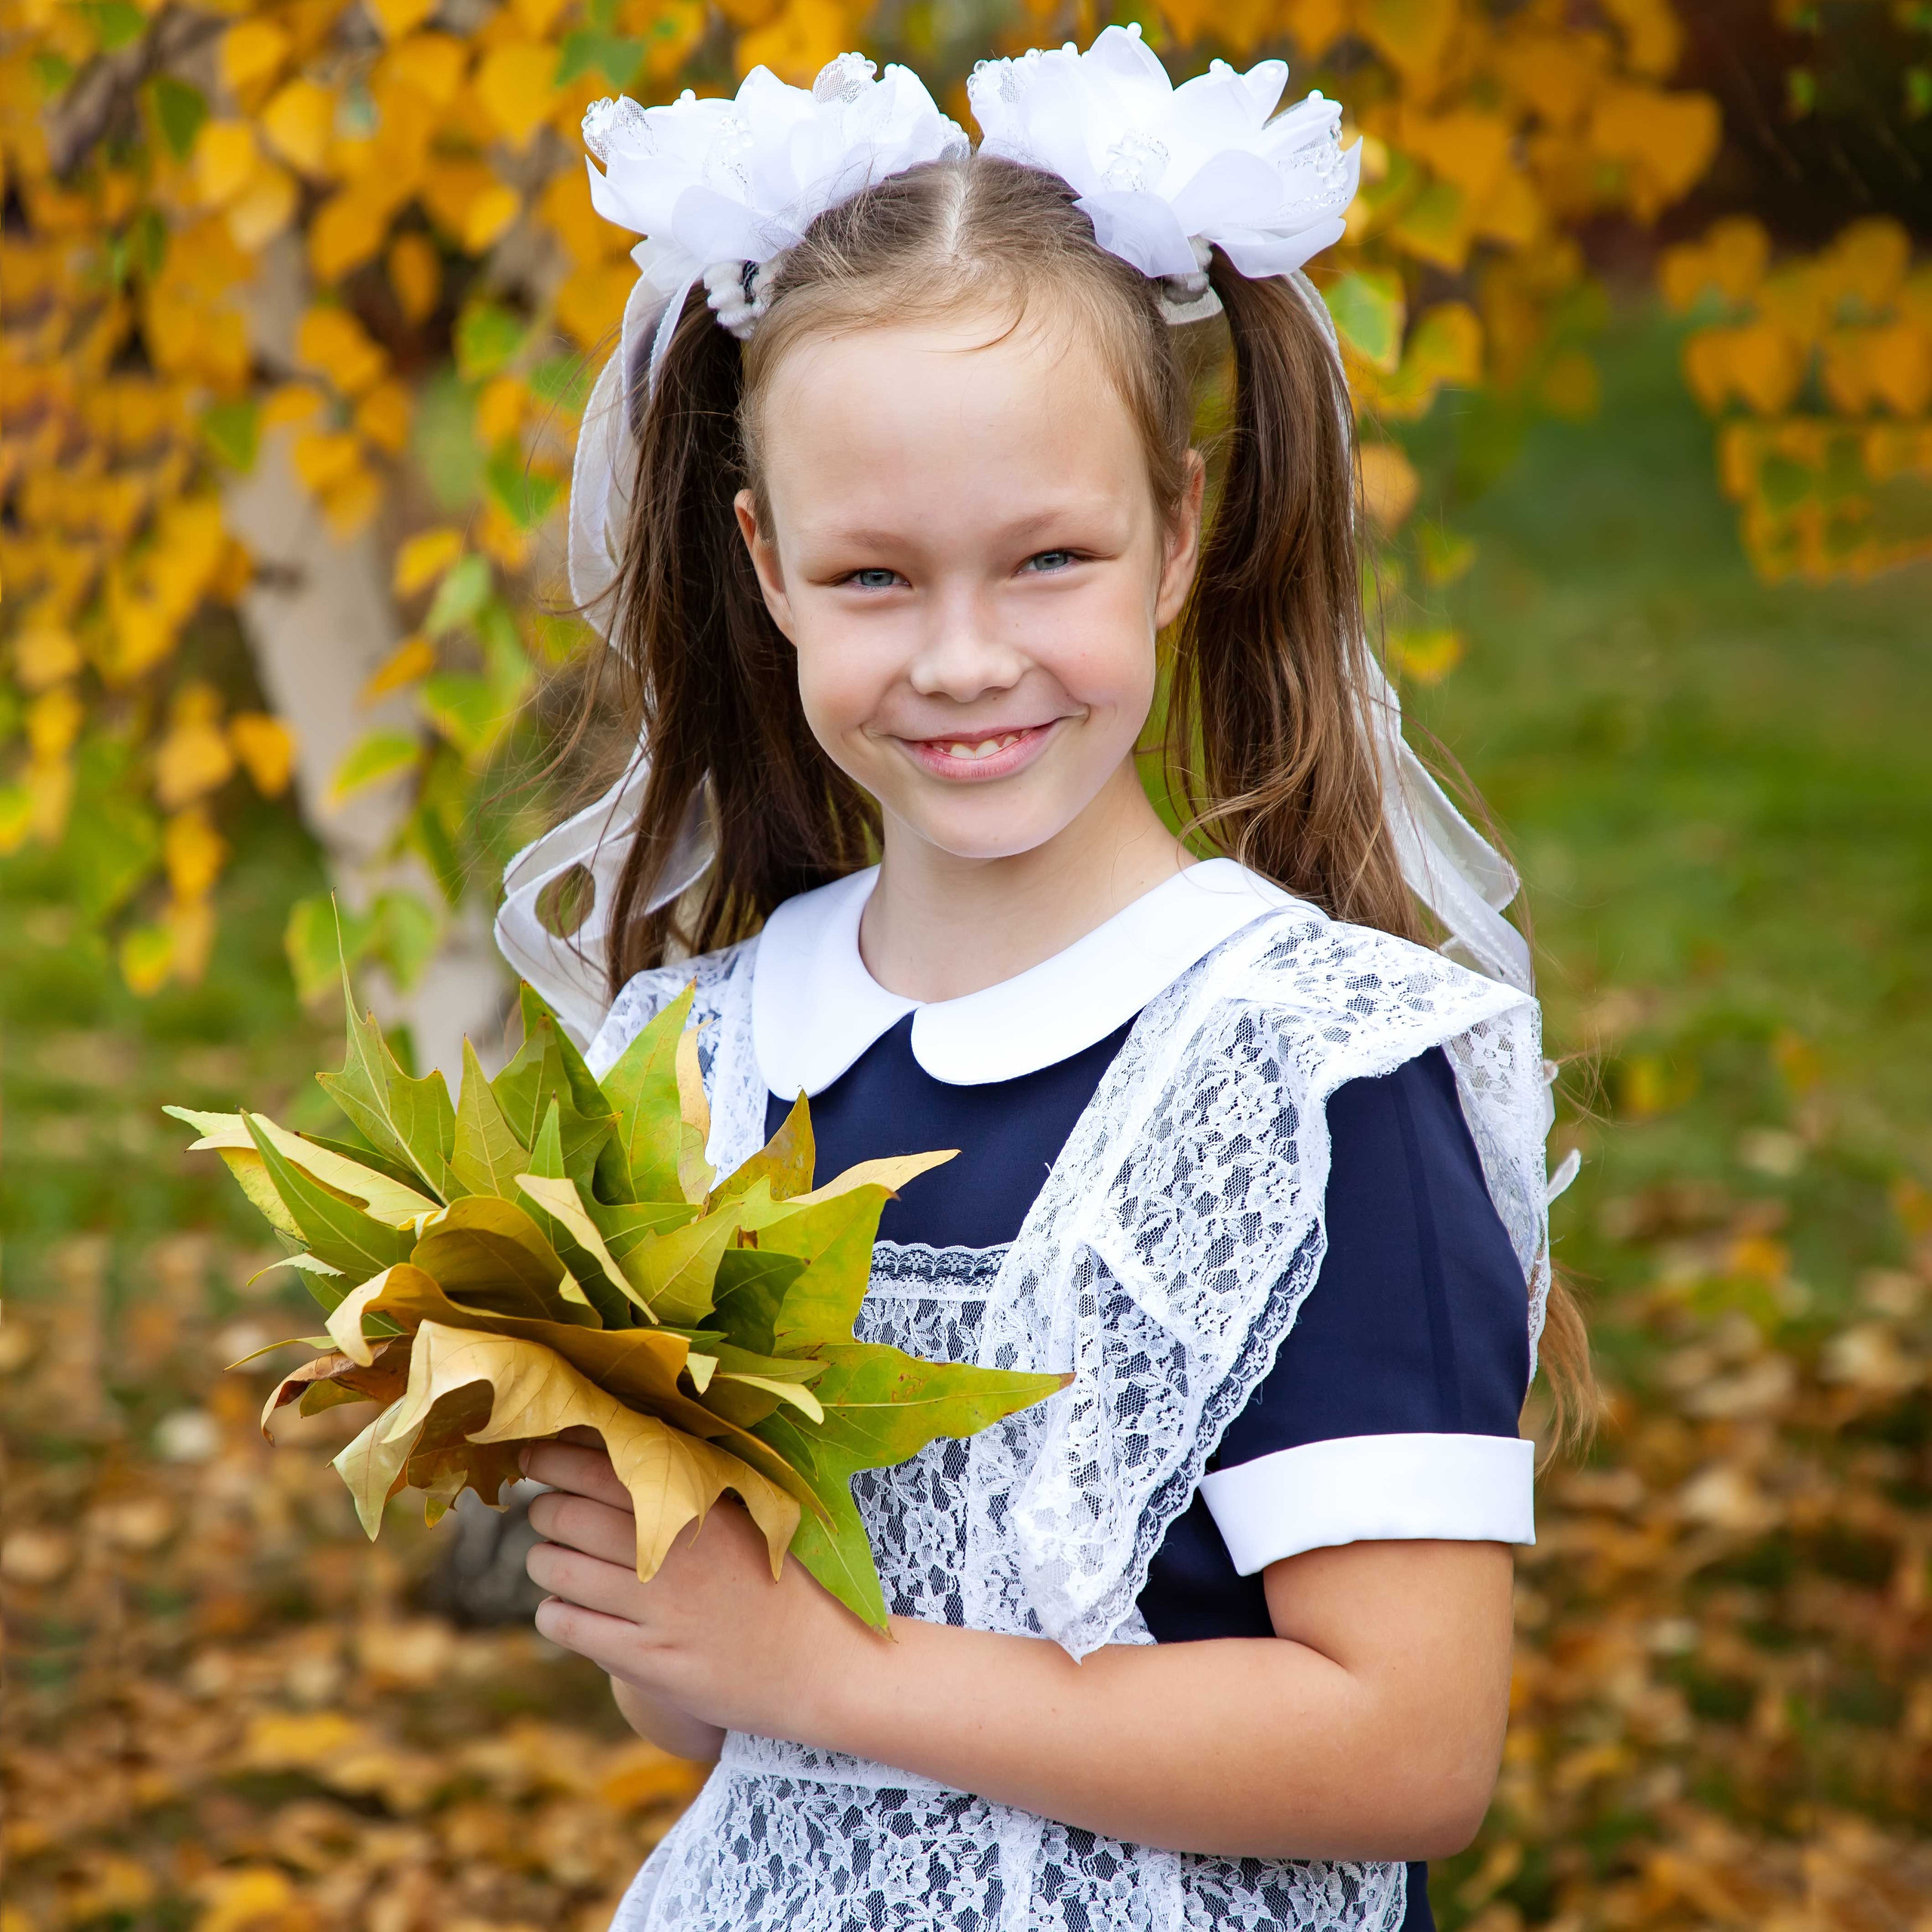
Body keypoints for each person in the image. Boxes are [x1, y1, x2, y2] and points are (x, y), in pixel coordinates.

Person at [494, 30, 1595, 1931]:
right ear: (765, 563)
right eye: (872, 578)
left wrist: (819, 1663)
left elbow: (1411, 1744)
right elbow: (702, 1715)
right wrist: (656, 1602)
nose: (962, 657)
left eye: (1046, 559)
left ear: (1175, 535)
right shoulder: (686, 1058)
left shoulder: (1312, 1074)